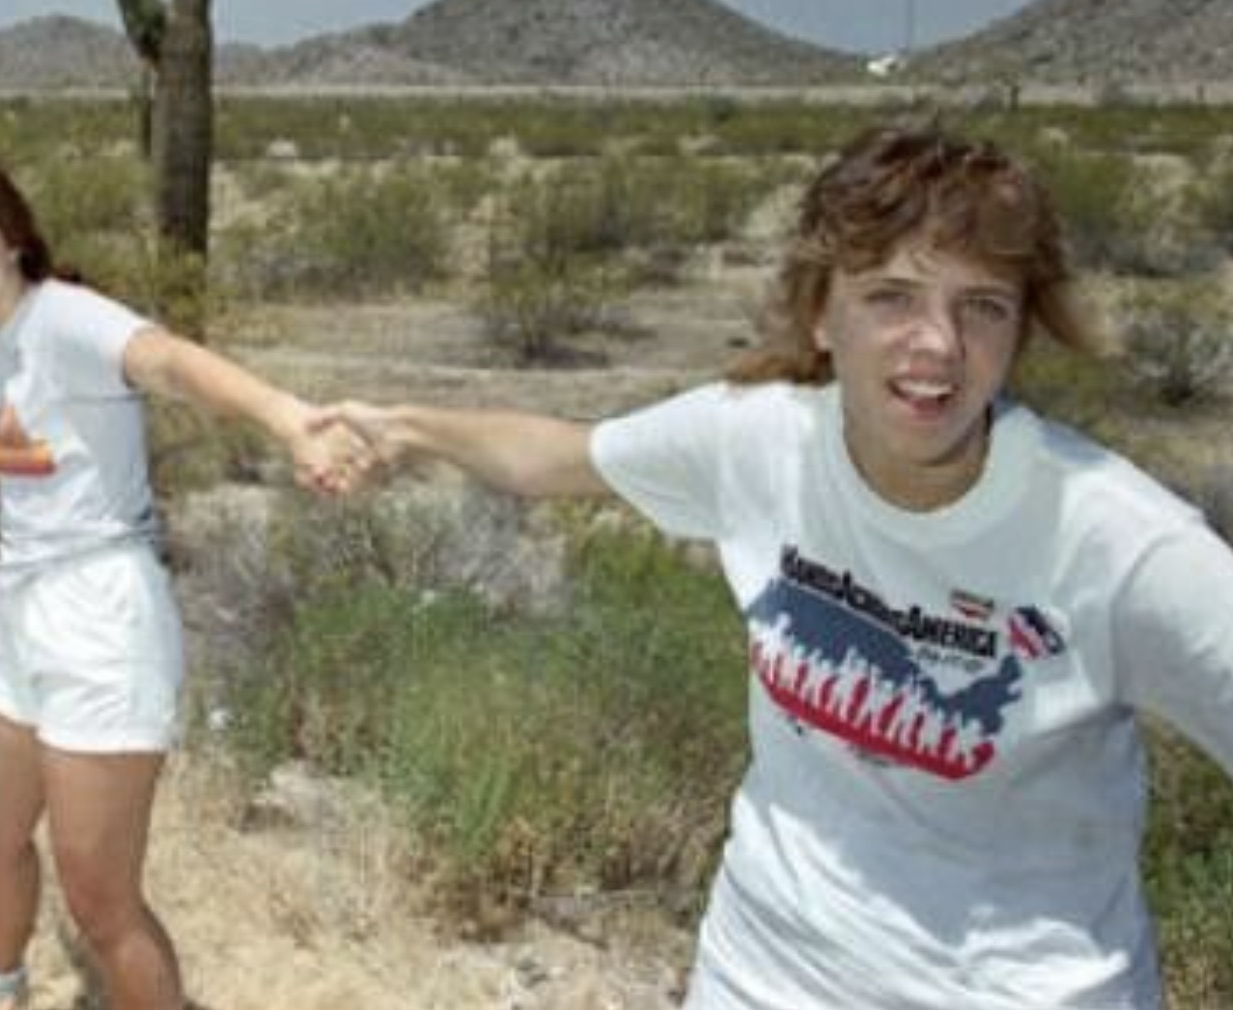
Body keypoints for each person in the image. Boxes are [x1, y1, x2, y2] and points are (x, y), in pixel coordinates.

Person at [316, 123, 1233, 1010]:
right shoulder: (759, 438)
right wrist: (402, 429)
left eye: (981, 307)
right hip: (766, 973)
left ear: (1021, 332)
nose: (938, 345)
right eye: (892, 297)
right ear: (820, 314)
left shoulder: (1115, 540)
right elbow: (560, 457)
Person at [0, 144, 355, 1010]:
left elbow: (167, 360)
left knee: (102, 903)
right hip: (23, 615)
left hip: (104, 619)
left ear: (15, 241)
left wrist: (287, 419)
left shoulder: (64, 319)